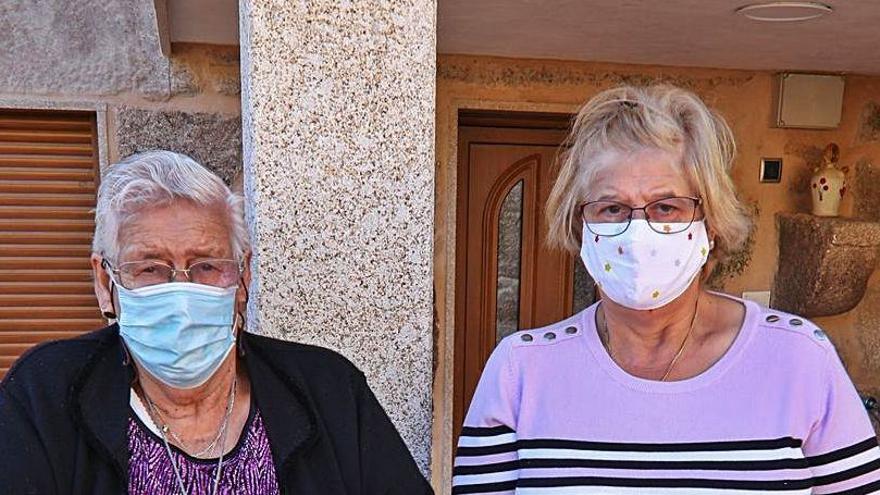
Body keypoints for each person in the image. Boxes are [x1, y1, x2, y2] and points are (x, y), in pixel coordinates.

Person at [453, 86, 880, 494]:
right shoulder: (521, 370)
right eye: (612, 208)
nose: (638, 231)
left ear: (710, 224)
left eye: (666, 206)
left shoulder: (798, 358)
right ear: (579, 227)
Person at [0, 150, 432, 494]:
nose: (182, 295)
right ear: (104, 280)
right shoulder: (45, 395)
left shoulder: (329, 389)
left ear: (243, 276)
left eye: (206, 266)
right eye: (150, 268)